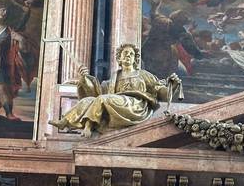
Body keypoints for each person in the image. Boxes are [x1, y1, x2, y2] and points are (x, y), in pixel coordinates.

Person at [52, 44, 180, 137]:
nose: (128, 55)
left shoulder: (143, 75)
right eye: (125, 53)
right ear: (120, 58)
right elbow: (95, 93)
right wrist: (84, 79)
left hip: (136, 106)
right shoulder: (113, 79)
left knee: (103, 99)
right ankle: (65, 121)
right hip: (116, 104)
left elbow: (162, 93)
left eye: (131, 54)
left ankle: (88, 126)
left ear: (135, 59)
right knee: (89, 100)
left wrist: (172, 86)